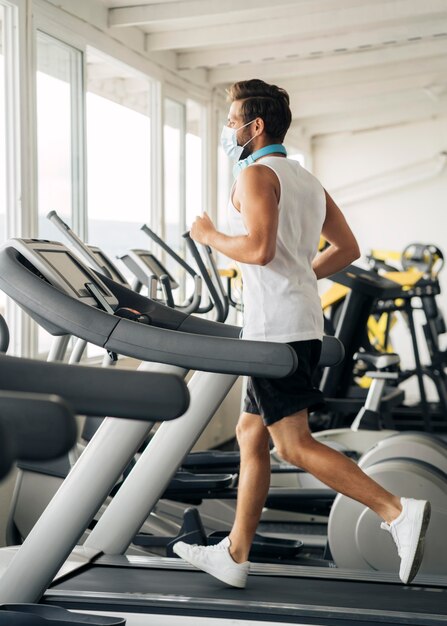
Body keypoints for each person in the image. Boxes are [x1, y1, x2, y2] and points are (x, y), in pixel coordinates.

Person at [173, 79, 431, 588]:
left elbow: (259, 250)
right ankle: (235, 554)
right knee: (251, 433)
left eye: (231, 122)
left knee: (291, 445)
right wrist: (299, 278)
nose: (229, 130)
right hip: (299, 324)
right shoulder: (307, 180)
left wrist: (207, 236)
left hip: (275, 331)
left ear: (256, 125)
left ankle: (396, 510)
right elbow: (346, 248)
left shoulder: (256, 175)